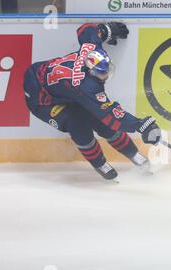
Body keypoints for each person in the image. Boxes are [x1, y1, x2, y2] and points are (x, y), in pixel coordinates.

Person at [23, 22, 161, 180]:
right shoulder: (87, 88)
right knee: (78, 124)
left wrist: (105, 30)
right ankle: (99, 164)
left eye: (107, 69)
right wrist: (140, 125)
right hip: (42, 99)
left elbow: (85, 29)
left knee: (99, 120)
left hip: (62, 88)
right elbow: (111, 116)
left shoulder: (92, 50)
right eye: (102, 73)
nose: (106, 75)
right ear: (91, 72)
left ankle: (133, 154)